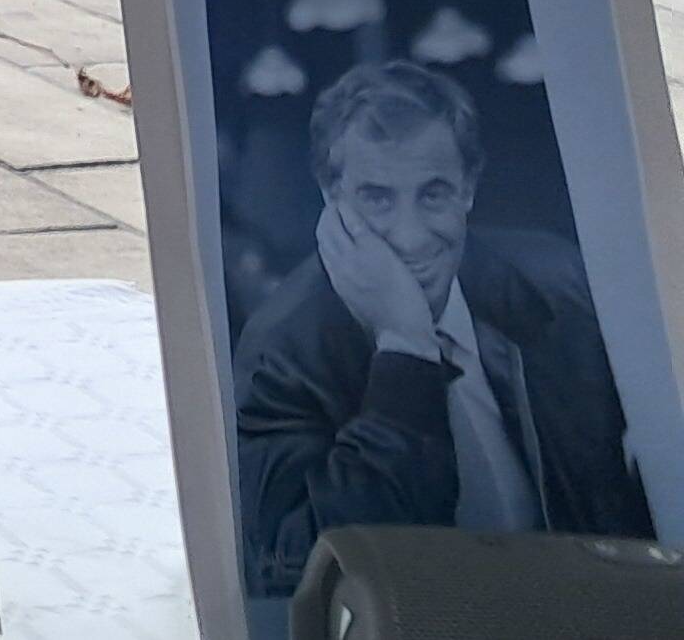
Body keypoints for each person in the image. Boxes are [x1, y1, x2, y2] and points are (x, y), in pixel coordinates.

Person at [234, 57, 650, 592]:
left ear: (468, 188)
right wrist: (405, 351)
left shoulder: (558, 284)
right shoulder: (280, 350)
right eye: (377, 198)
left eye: (433, 195)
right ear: (329, 196)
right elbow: (294, 570)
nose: (409, 237)